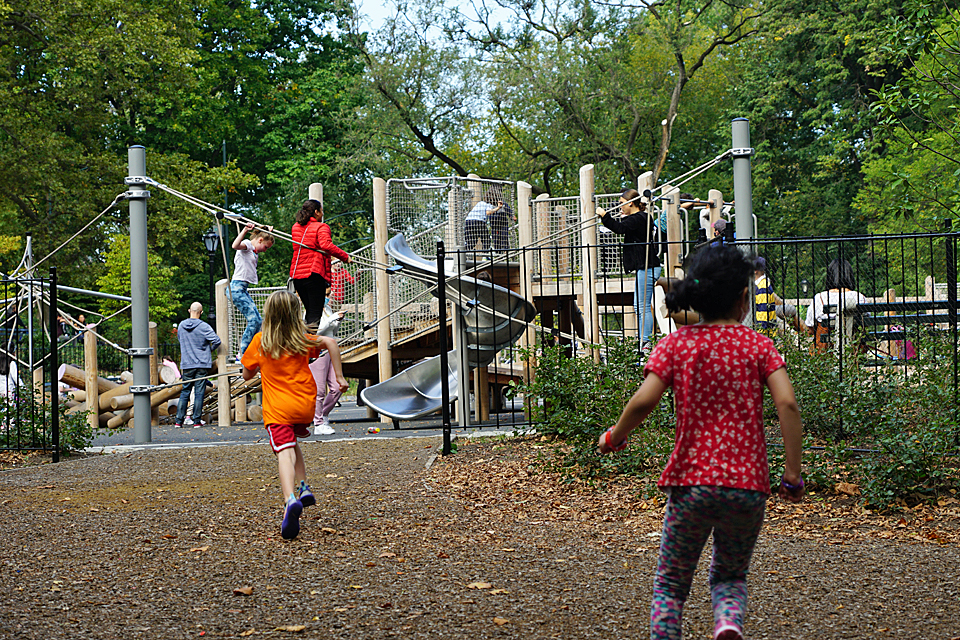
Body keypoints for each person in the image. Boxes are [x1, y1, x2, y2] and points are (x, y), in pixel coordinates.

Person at [597, 244, 804, 640]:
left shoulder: (676, 345)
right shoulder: (759, 346)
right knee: (729, 574)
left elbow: (644, 401)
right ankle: (727, 623)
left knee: (672, 583)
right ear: (744, 299)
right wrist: (791, 473)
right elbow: (787, 404)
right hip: (747, 487)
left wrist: (613, 437)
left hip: (690, 484)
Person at [241, 291, 349, 540]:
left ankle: (290, 499)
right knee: (292, 443)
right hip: (304, 405)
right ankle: (303, 486)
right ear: (293, 315)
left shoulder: (261, 341)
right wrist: (340, 378)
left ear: (268, 315)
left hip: (279, 409)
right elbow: (331, 343)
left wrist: (257, 367)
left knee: (284, 453)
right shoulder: (301, 339)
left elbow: (247, 375)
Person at [596, 188, 662, 353]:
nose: (619, 207)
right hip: (645, 266)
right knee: (639, 305)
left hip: (648, 266)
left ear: (630, 203)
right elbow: (623, 226)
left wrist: (605, 216)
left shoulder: (638, 218)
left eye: (620, 204)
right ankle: (644, 341)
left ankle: (645, 344)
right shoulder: (640, 217)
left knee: (643, 306)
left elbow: (619, 228)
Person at [290, 199, 352, 329]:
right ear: (316, 212)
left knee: (310, 312)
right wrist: (345, 257)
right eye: (321, 210)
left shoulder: (296, 227)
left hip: (297, 275)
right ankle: (309, 345)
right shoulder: (321, 227)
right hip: (314, 273)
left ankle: (306, 341)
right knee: (315, 313)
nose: (322, 214)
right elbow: (325, 245)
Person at [231, 223, 275, 361]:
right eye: (266, 247)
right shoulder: (247, 245)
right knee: (253, 320)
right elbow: (235, 245)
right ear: (260, 241)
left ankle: (253, 350)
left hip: (242, 289)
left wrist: (267, 230)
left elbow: (262, 235)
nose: (266, 250)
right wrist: (245, 230)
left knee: (258, 321)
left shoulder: (253, 250)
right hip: (236, 288)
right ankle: (243, 353)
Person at [175, 302, 221, 428]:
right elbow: (216, 341)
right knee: (199, 393)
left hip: (187, 363)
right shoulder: (204, 326)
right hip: (201, 363)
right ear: (201, 312)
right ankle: (196, 421)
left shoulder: (182, 325)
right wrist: (209, 350)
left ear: (189, 310)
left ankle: (179, 420)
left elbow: (180, 340)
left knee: (185, 392)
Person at [803, 258, 866, 351]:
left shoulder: (820, 298)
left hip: (826, 352)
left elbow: (810, 326)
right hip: (854, 351)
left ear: (830, 276)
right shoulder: (859, 297)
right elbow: (866, 323)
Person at [309, 304, 345, 435]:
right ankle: (318, 424)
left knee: (337, 387)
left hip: (330, 349)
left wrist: (337, 322)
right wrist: (331, 319)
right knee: (319, 390)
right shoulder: (309, 309)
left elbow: (331, 332)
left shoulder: (327, 308)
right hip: (317, 349)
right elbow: (314, 332)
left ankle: (322, 415)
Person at [463, 188, 506, 252]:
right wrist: (498, 208)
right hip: (479, 221)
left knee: (471, 241)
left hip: (468, 221)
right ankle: (485, 254)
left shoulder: (480, 203)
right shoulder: (488, 205)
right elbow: (488, 212)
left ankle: (466, 253)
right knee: (486, 239)